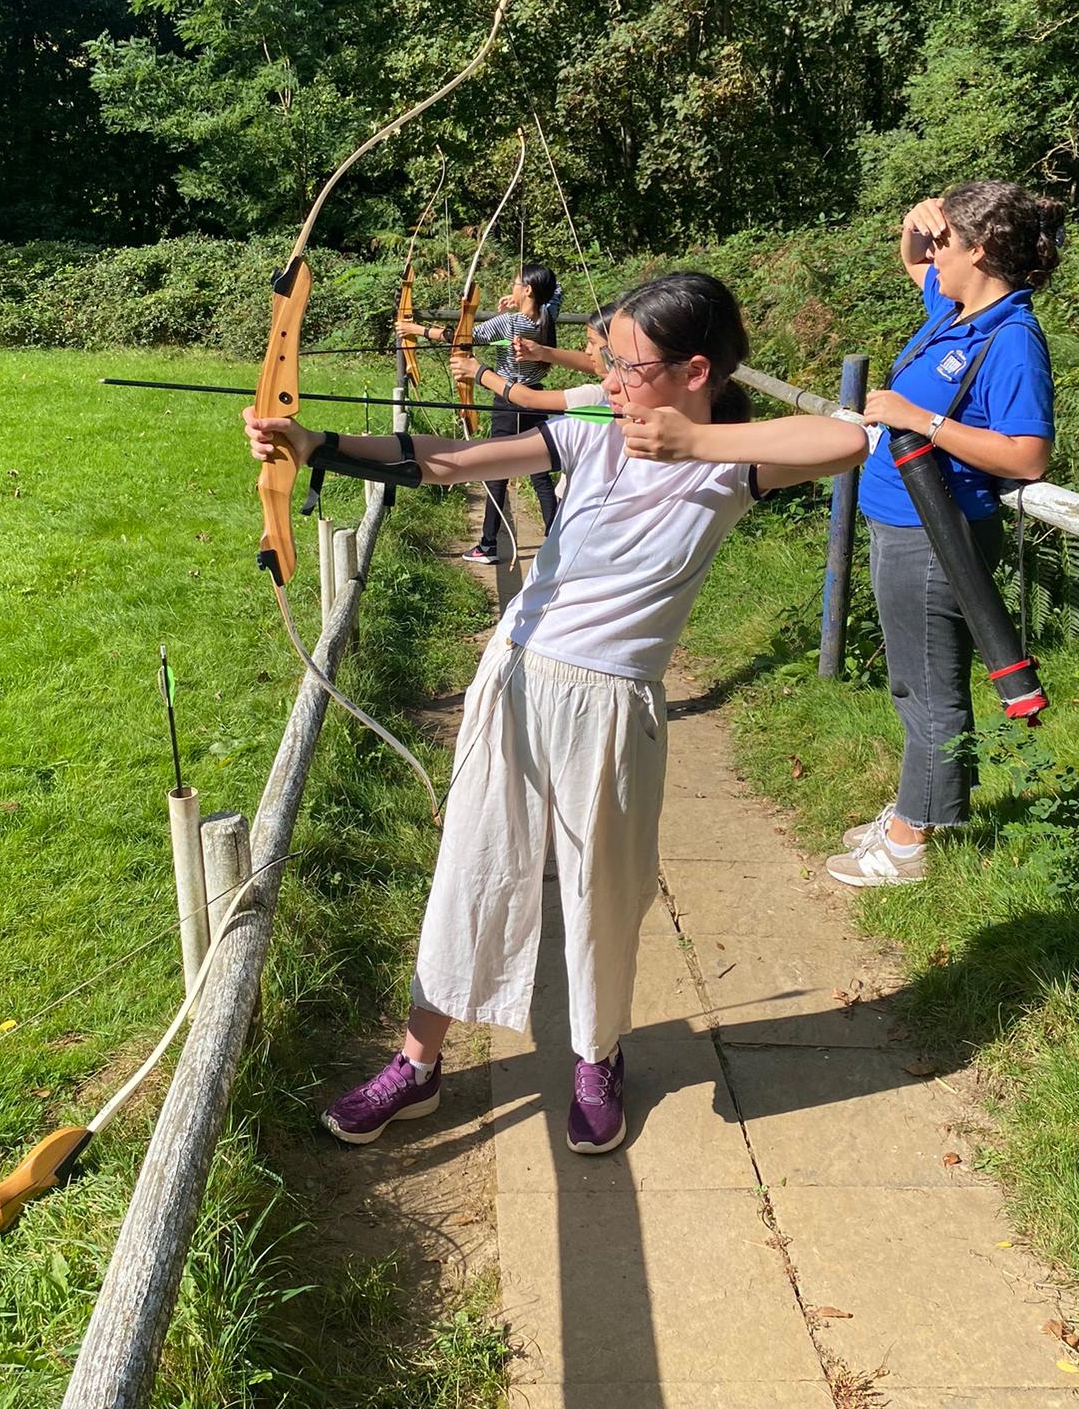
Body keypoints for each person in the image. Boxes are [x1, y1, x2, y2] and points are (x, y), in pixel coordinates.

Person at [245, 271, 867, 1154]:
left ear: (695, 371)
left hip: (612, 704)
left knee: (600, 891)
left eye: (626, 365)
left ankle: (597, 1056)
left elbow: (846, 438)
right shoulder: (594, 428)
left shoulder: (735, 460)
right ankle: (418, 1064)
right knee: (474, 866)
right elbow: (448, 460)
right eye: (605, 361)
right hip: (518, 676)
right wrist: (317, 445)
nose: (606, 381)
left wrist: (694, 442)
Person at [825, 181, 1062, 888]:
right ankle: (918, 805)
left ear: (979, 250)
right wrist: (914, 219)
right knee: (913, 678)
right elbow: (911, 261)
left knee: (928, 687)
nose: (931, 255)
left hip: (938, 536)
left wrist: (917, 418)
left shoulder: (1010, 338)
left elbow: (1028, 455)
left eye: (944, 242)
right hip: (901, 522)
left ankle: (910, 843)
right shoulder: (956, 312)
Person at [399, 263, 563, 562]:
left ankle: (488, 546)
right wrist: (521, 298)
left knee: (496, 470)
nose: (512, 287)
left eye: (516, 284)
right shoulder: (546, 316)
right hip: (536, 398)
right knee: (540, 472)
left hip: (508, 401)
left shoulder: (510, 323)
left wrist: (416, 329)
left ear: (528, 289)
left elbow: (462, 336)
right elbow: (556, 289)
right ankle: (557, 539)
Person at [450, 301, 616, 416]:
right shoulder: (619, 381)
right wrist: (541, 352)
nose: (587, 350)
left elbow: (530, 399)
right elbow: (595, 364)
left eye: (592, 342)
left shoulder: (601, 394)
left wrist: (478, 372)